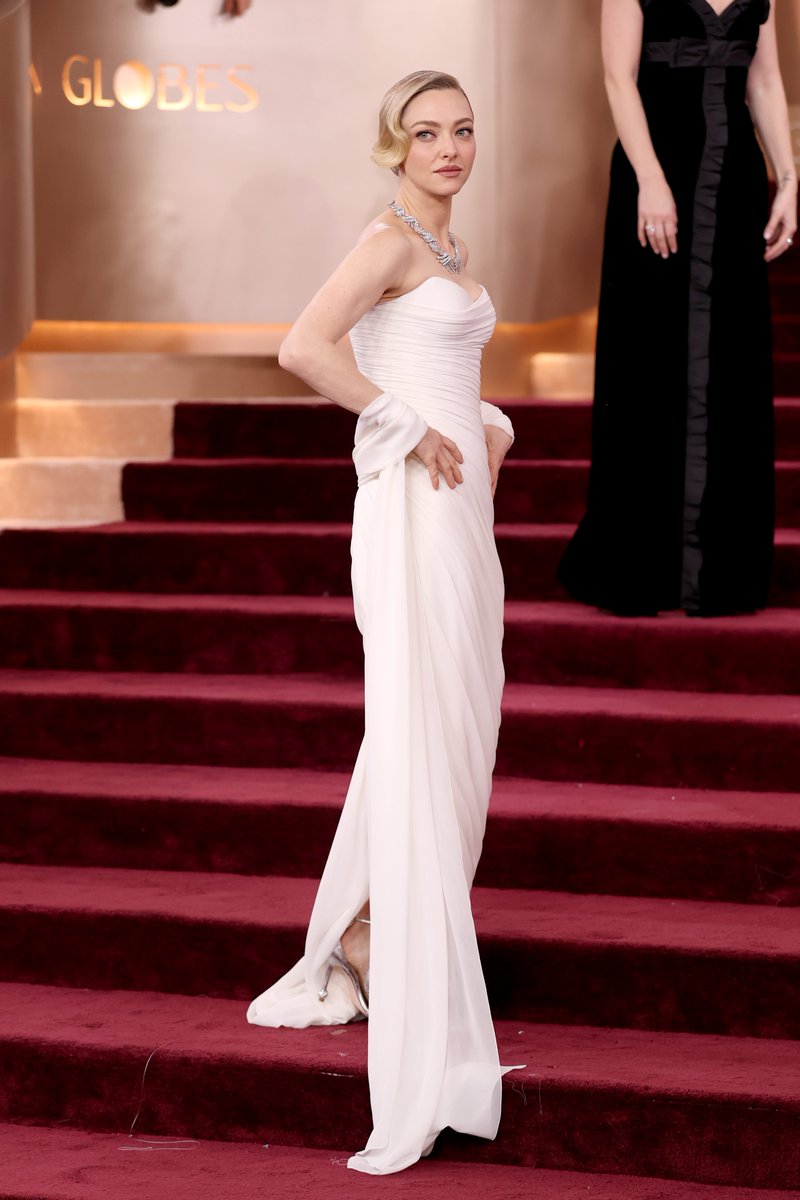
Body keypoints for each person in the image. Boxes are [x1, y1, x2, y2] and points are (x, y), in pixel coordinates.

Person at [247, 70, 515, 1175]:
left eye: (461, 131)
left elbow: (440, 360)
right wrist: (402, 423)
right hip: (408, 516)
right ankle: (395, 966)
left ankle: (365, 933)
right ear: (392, 146)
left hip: (459, 514)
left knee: (457, 731)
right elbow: (302, 346)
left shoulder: (446, 253)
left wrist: (483, 422)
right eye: (426, 133)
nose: (449, 148)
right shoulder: (390, 238)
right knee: (422, 728)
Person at [558, 0, 798, 617]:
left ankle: (722, 568)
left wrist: (789, 181)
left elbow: (765, 81)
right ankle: (642, 562)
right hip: (656, 182)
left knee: (731, 367)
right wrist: (651, 179)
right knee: (650, 362)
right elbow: (618, 77)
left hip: (735, 180)